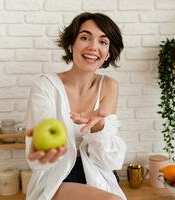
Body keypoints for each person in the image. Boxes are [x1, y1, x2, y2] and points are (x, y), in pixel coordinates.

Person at [25, 12, 127, 200]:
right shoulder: (45, 85)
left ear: (108, 53)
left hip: (97, 173)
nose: (93, 47)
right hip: (57, 176)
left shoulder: (109, 86)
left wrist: (98, 129)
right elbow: (42, 149)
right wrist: (43, 147)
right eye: (85, 37)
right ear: (71, 44)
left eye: (103, 42)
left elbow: (109, 161)